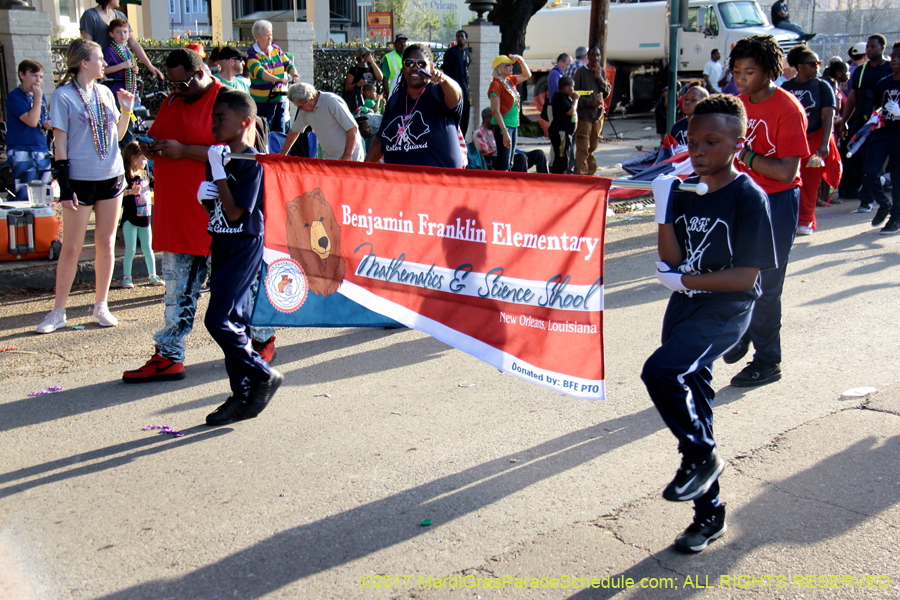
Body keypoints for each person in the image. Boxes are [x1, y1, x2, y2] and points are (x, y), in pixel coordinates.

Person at [643, 94, 776, 554]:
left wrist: (686, 279)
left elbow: (746, 275)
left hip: (727, 309)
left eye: (711, 142)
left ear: (738, 144)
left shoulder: (749, 198)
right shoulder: (684, 190)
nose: (698, 150)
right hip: (684, 307)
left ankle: (702, 457)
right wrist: (663, 210)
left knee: (661, 371)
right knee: (694, 405)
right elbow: (671, 258)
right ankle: (710, 514)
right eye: (692, 141)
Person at [123, 49, 275, 382]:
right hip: (178, 210)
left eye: (182, 83)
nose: (175, 89)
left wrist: (183, 151)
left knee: (237, 288)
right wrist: (153, 148)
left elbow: (240, 155)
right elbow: (168, 135)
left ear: (201, 71)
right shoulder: (172, 100)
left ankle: (259, 341)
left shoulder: (229, 102)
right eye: (171, 84)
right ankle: (168, 355)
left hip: (222, 215)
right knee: (177, 289)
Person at [723, 34, 809, 387]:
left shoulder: (788, 109)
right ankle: (744, 329)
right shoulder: (737, 105)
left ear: (770, 71)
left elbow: (787, 171)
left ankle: (768, 361)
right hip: (742, 198)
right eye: (737, 71)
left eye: (749, 71)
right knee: (735, 275)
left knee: (767, 285)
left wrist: (745, 156)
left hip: (777, 201)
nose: (741, 78)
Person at [36, 40, 134, 334]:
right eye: (100, 58)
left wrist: (126, 111)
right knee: (72, 247)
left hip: (112, 175)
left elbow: (116, 136)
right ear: (83, 63)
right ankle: (58, 311)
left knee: (106, 242)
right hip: (80, 179)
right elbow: (61, 143)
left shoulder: (105, 92)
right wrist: (65, 187)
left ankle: (100, 306)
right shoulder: (63, 96)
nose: (105, 63)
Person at [202, 89, 283, 426]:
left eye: (221, 118)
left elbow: (237, 214)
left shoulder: (250, 162)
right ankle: (243, 392)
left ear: (244, 122)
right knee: (234, 322)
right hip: (221, 241)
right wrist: (204, 196)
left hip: (244, 242)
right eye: (213, 118)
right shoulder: (220, 157)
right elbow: (220, 209)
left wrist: (218, 175)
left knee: (218, 320)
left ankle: (262, 374)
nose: (214, 124)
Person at [365, 43, 463, 169]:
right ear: (403, 67)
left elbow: (456, 96)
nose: (415, 67)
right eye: (409, 63)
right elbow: (380, 142)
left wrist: (444, 80)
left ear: (431, 67)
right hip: (402, 184)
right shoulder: (395, 100)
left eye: (421, 64)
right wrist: (360, 173)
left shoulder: (438, 92)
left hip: (439, 184)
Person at [782, 45, 837, 236]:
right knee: (788, 180)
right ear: (799, 65)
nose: (816, 67)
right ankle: (790, 218)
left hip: (814, 142)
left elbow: (827, 117)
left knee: (811, 182)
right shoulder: (787, 87)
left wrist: (824, 144)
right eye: (812, 64)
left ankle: (806, 221)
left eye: (818, 63)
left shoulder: (823, 86)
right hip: (790, 142)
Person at [841, 34, 892, 212]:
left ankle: (866, 199)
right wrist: (844, 122)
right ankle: (878, 180)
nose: (869, 50)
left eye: (873, 47)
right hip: (861, 123)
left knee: (871, 161)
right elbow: (852, 98)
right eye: (868, 47)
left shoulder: (890, 69)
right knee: (853, 157)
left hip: (882, 124)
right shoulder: (861, 71)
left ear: (883, 48)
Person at [862, 41, 900, 234]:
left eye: (899, 57)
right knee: (870, 171)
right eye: (894, 56)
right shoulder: (883, 83)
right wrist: (875, 118)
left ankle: (896, 218)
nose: (895, 60)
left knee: (897, 177)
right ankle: (883, 204)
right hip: (883, 133)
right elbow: (875, 108)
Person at [281, 82, 364, 161]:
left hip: (351, 157)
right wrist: (282, 154)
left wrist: (348, 155)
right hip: (330, 158)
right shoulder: (304, 111)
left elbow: (352, 128)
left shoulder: (331, 101)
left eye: (301, 106)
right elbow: (294, 131)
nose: (300, 109)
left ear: (310, 99)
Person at [80, 0, 163, 79]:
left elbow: (133, 43)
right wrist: (98, 71)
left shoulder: (120, 16)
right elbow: (88, 47)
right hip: (102, 71)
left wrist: (149, 65)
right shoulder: (90, 15)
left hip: (121, 74)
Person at [6, 60, 52, 203]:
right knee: (27, 195)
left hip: (41, 149)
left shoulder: (40, 97)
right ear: (21, 75)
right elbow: (31, 121)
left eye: (40, 77)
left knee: (46, 194)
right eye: (33, 76)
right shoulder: (15, 96)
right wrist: (38, 98)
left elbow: (43, 120)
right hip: (22, 150)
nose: (37, 80)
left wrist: (48, 123)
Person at [119, 141, 163, 288]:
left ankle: (153, 275)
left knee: (148, 247)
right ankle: (127, 277)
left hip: (145, 219)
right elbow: (117, 194)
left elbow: (159, 185)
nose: (145, 161)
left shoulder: (145, 175)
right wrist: (130, 192)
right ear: (132, 158)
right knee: (130, 249)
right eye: (143, 158)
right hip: (129, 219)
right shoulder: (125, 176)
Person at [246, 19, 301, 135]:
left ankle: (279, 153)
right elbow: (260, 73)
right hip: (263, 102)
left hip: (280, 99)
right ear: (257, 37)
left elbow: (288, 63)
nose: (270, 38)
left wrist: (294, 74)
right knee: (265, 133)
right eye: (267, 36)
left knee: (279, 133)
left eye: (271, 35)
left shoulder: (276, 49)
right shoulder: (252, 54)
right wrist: (278, 80)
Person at [489, 54, 532, 171]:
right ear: (500, 67)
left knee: (510, 161)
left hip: (513, 124)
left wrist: (521, 61)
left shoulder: (510, 80)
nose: (511, 67)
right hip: (504, 126)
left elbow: (527, 75)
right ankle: (501, 186)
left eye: (511, 65)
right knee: (504, 162)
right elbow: (496, 111)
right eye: (508, 65)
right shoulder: (496, 84)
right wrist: (504, 132)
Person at [573, 46, 611, 175]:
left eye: (598, 55)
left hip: (597, 115)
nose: (596, 58)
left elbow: (606, 92)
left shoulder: (600, 72)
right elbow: (574, 94)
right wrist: (590, 102)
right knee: (583, 147)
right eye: (593, 55)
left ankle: (591, 173)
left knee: (593, 146)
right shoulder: (580, 73)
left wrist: (599, 77)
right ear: (587, 57)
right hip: (584, 115)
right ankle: (583, 175)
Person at [442, 30, 471, 136]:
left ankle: (462, 137)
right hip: (455, 89)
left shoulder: (466, 53)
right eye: (458, 36)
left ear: (466, 38)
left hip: (465, 90)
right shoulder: (451, 53)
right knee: (455, 115)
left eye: (462, 36)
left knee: (465, 115)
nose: (460, 38)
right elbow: (447, 70)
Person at [549, 76, 578, 174]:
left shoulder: (566, 98)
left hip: (567, 132)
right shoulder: (559, 97)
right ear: (567, 87)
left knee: (566, 158)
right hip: (561, 133)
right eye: (572, 87)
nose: (574, 90)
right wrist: (576, 100)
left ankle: (563, 175)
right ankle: (559, 177)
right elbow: (570, 111)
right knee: (561, 158)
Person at [102, 19, 138, 98]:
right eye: (118, 32)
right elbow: (104, 70)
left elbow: (128, 66)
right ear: (111, 34)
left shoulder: (127, 50)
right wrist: (121, 66)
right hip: (115, 89)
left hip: (128, 89)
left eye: (125, 32)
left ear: (129, 34)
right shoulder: (109, 50)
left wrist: (134, 69)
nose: (122, 34)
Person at [343, 48, 383, 114]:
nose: (371, 56)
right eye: (368, 55)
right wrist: (357, 84)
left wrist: (372, 62)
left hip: (371, 102)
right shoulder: (354, 70)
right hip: (359, 103)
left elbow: (380, 77)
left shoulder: (371, 68)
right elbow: (347, 87)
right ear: (362, 57)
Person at [381, 33, 408, 99]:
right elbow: (385, 78)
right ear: (395, 44)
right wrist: (388, 95)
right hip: (394, 93)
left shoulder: (409, 56)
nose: (402, 44)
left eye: (404, 42)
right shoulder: (389, 57)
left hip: (407, 93)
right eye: (399, 42)